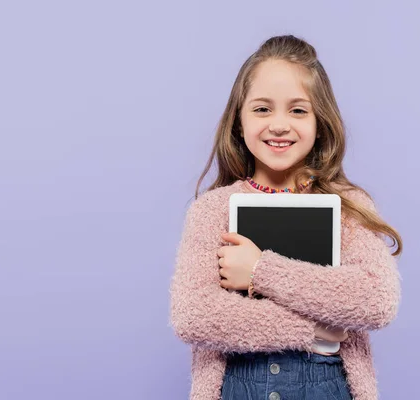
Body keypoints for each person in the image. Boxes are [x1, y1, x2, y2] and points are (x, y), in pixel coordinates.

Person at [169, 35, 402, 400]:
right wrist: (312, 331)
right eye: (262, 109)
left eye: (297, 110)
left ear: (319, 121)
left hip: (329, 387)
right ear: (239, 121)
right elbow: (194, 314)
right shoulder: (212, 210)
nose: (279, 125)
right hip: (237, 386)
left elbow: (376, 299)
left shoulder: (348, 205)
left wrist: (260, 271)